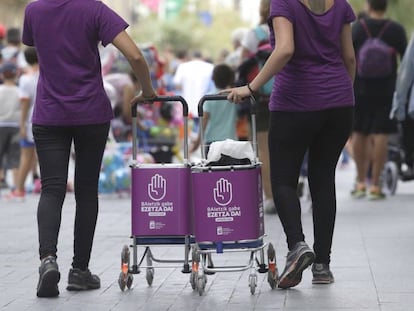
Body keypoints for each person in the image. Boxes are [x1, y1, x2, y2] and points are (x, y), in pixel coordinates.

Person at [22, 0, 157, 298]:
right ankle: (79, 271)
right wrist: (147, 91)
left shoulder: (34, 10)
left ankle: (47, 260)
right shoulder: (94, 9)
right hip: (90, 114)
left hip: (49, 113)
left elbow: (33, 45)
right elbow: (134, 54)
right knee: (85, 192)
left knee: (52, 188)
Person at [221, 0, 356, 288]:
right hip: (339, 105)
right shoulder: (341, 5)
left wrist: (250, 87)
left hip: (295, 102)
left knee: (283, 179)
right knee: (322, 180)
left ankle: (297, 246)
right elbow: (350, 59)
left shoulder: (284, 3)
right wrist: (343, 93)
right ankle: (322, 265)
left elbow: (285, 49)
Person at [351, 0, 407, 200]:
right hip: (386, 89)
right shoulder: (396, 30)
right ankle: (375, 185)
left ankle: (359, 182)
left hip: (359, 89)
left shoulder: (357, 28)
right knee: (381, 133)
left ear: (368, 5)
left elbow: (347, 58)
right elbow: (406, 61)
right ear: (386, 5)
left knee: (359, 132)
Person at [238, 0, 275, 214]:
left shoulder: (254, 35)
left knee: (264, 149)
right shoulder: (292, 29)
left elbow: (242, 65)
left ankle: (270, 198)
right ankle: (286, 191)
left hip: (261, 98)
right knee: (287, 148)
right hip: (290, 96)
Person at [5, 47, 39, 201]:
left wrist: (22, 124)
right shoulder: (47, 74)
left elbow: (24, 104)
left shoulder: (26, 79)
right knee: (44, 155)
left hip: (32, 119)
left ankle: (19, 189)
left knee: (26, 156)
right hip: (48, 116)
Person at [190, 63, 237, 156]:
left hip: (212, 141)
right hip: (231, 140)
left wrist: (198, 141)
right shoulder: (234, 96)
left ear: (212, 78)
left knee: (213, 169)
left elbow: (204, 120)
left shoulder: (208, 98)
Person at [173, 50, 214, 139]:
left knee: (187, 135)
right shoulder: (210, 67)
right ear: (201, 57)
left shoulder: (183, 67)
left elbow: (176, 83)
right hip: (203, 105)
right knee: (202, 135)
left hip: (186, 105)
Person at [0, 62, 21, 193]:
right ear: (16, 75)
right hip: (16, 126)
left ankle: (1, 179)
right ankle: (17, 184)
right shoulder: (19, 91)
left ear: (2, 75)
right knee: (15, 155)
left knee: (0, 154)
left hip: (1, 124)